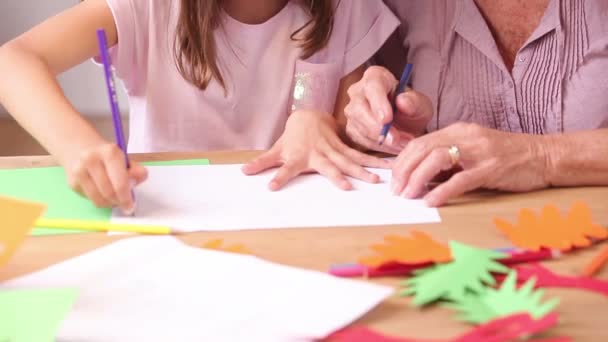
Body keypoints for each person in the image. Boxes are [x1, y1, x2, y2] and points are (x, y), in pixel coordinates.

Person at [0, 0, 399, 214]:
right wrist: (78, 147)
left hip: (292, 219)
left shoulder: (346, 7)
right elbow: (13, 61)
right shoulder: (149, 7)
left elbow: (352, 120)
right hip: (164, 218)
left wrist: (325, 121)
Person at [344, 0, 608, 207]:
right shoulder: (402, 6)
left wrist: (539, 156)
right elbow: (387, 92)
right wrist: (392, 121)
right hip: (460, 235)